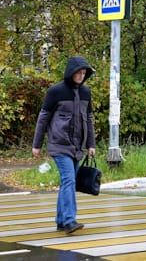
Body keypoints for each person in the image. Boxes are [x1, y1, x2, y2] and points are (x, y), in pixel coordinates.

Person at [32, 55, 96, 234]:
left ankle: (61, 221)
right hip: (59, 144)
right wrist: (37, 144)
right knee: (69, 179)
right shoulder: (55, 91)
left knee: (68, 181)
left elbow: (89, 119)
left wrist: (91, 144)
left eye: (84, 73)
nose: (81, 76)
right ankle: (69, 220)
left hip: (77, 146)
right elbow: (43, 118)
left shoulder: (86, 93)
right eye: (78, 72)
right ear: (71, 72)